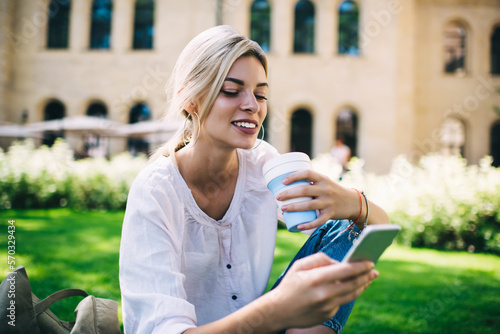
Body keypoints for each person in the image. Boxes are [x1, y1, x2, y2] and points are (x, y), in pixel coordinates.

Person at [119, 25, 391, 334]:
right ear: (190, 100)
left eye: (260, 94)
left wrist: (353, 203)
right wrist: (278, 308)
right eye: (232, 91)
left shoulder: (263, 164)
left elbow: (378, 228)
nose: (253, 105)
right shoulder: (155, 192)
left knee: (345, 226)